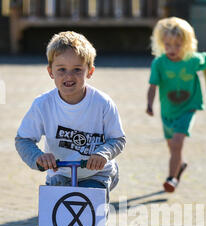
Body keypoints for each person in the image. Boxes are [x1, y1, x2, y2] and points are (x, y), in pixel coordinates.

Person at [15, 30, 125, 194]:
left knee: (90, 210)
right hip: (60, 172)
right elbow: (23, 140)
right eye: (61, 69)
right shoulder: (42, 105)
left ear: (90, 71)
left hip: (97, 174)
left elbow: (117, 139)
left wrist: (103, 154)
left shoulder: (102, 103)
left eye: (77, 69)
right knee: (55, 214)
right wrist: (38, 157)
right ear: (50, 72)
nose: (69, 76)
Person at [146, 17, 206, 193]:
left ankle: (171, 178)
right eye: (168, 44)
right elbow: (152, 86)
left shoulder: (192, 60)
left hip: (188, 108)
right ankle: (180, 165)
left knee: (177, 143)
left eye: (177, 45)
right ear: (161, 43)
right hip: (168, 111)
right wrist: (149, 104)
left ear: (186, 44)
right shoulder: (159, 63)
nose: (172, 49)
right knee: (172, 147)